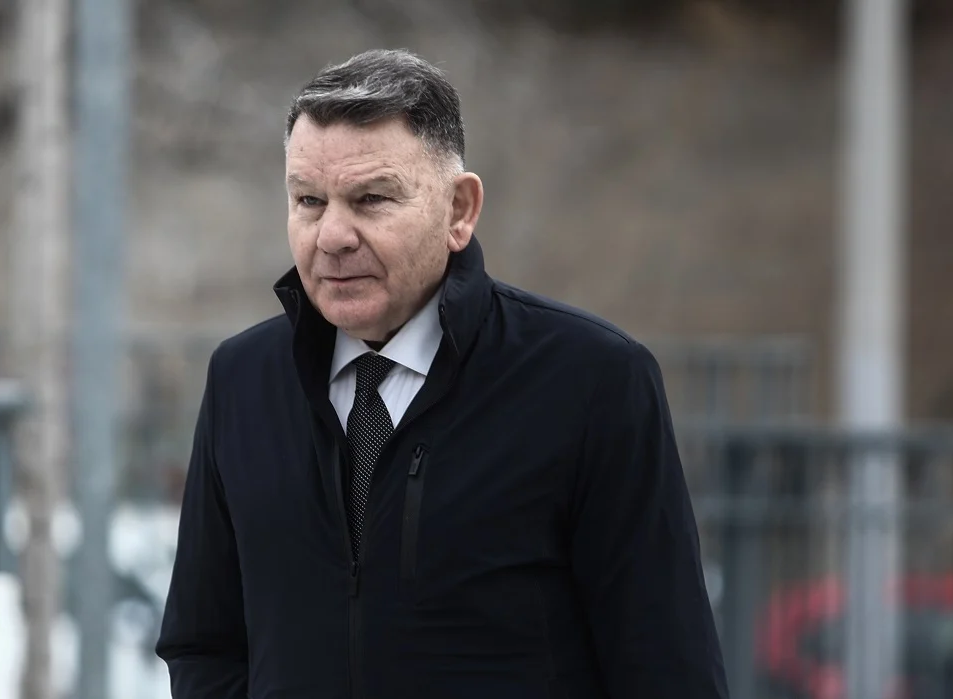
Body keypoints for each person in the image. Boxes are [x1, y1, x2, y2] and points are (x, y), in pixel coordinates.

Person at [156, 48, 729, 699]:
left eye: (371, 199)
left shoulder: (594, 382)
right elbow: (204, 642)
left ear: (459, 210)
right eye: (309, 200)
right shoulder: (242, 380)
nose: (332, 235)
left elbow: (666, 664)